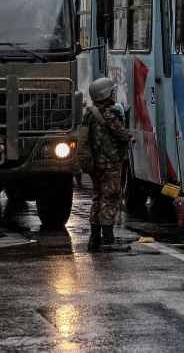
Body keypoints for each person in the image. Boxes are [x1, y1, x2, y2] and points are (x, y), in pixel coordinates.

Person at [83, 77, 132, 252]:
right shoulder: (109, 114)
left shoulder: (89, 114)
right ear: (105, 94)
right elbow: (123, 134)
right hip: (109, 165)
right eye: (111, 91)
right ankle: (108, 238)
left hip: (95, 165)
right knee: (110, 197)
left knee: (97, 198)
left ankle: (94, 238)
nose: (113, 94)